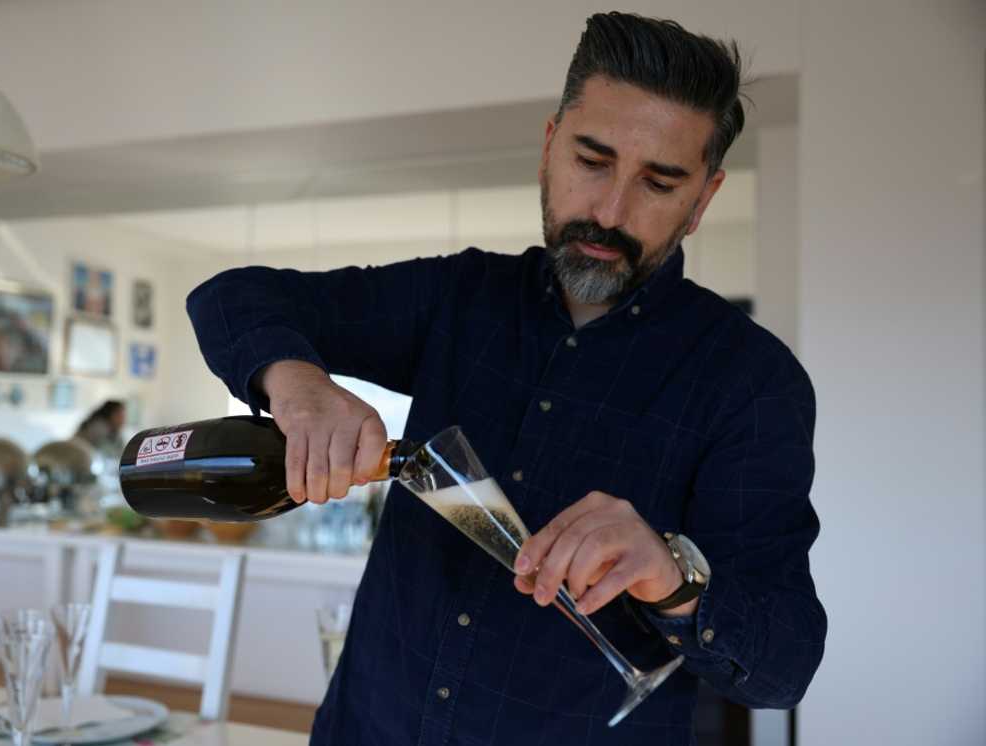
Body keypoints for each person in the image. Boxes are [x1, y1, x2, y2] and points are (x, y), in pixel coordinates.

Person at [187, 12, 826, 745]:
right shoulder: (459, 298)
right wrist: (295, 384)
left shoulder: (750, 380)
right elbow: (232, 296)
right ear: (550, 145)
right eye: (592, 160)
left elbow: (785, 664)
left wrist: (674, 577)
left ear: (703, 199)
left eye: (659, 182)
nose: (610, 211)